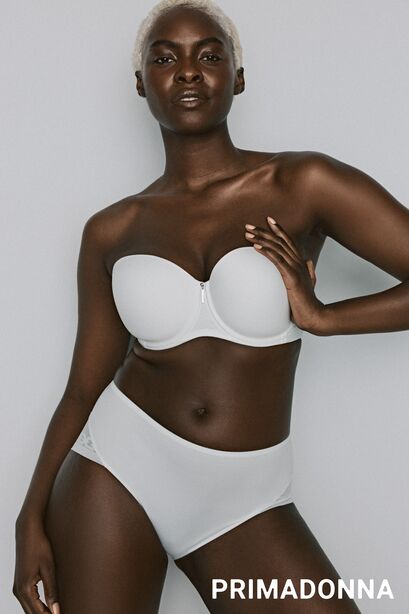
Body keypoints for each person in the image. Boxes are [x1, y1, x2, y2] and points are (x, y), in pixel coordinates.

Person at [13, 1, 409, 612]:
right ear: (141, 84)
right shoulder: (113, 229)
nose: (188, 70)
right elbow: (83, 386)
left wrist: (324, 318)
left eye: (209, 54)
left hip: (245, 500)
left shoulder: (301, 184)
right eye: (164, 58)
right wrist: (29, 517)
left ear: (238, 78)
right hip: (115, 472)